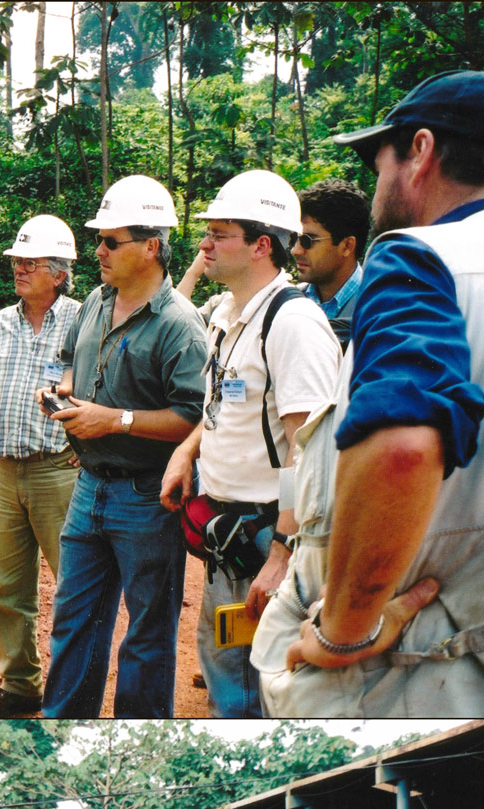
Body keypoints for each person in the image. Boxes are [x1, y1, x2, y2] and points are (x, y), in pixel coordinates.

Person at [252, 71, 484, 718]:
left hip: (420, 675)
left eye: (376, 158)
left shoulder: (416, 258)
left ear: (420, 151)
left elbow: (404, 448)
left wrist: (343, 629)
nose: (374, 181)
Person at [159, 170, 341, 718]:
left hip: (268, 539)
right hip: (228, 536)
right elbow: (221, 407)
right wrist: (186, 450)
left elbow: (305, 452)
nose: (205, 245)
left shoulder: (293, 324)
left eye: (219, 234)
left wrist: (282, 554)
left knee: (265, 688)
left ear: (262, 245)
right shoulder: (230, 316)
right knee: (226, 674)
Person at [37, 176, 207, 719]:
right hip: (89, 489)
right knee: (74, 621)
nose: (99, 251)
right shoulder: (94, 301)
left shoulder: (181, 324)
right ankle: (64, 732)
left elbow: (194, 418)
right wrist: (65, 397)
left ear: (151, 246)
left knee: (148, 634)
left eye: (112, 241)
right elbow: (71, 364)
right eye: (100, 240)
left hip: (147, 498)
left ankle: (139, 741)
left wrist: (116, 420)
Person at [0, 216, 84, 718]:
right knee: (7, 586)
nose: (18, 269)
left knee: (73, 585)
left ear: (58, 273)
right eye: (17, 261)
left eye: (29, 262)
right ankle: (20, 688)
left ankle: (73, 693)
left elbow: (110, 382)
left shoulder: (85, 319)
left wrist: (89, 443)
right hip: (6, 473)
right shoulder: (0, 321)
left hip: (59, 471)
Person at [292, 179, 370, 346]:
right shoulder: (291, 302)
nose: (295, 250)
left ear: (347, 246)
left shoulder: (376, 310)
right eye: (294, 238)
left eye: (307, 240)